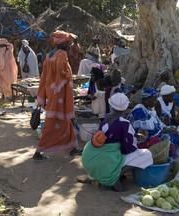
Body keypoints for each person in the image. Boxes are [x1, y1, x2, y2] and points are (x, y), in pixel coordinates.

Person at [79, 93, 153, 191]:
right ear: (126, 107)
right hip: (105, 160)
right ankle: (115, 177)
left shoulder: (107, 117)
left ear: (112, 106)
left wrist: (133, 136)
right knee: (146, 154)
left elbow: (110, 136)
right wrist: (134, 140)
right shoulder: (125, 123)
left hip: (89, 158)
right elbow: (128, 148)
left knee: (107, 154)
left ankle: (93, 176)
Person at [34, 30, 82, 162]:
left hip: (52, 92)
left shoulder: (49, 55)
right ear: (63, 44)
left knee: (65, 121)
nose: (69, 45)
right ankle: (38, 152)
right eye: (68, 43)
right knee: (52, 123)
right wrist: (67, 74)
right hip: (59, 94)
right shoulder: (61, 54)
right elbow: (62, 71)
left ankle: (72, 149)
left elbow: (44, 76)